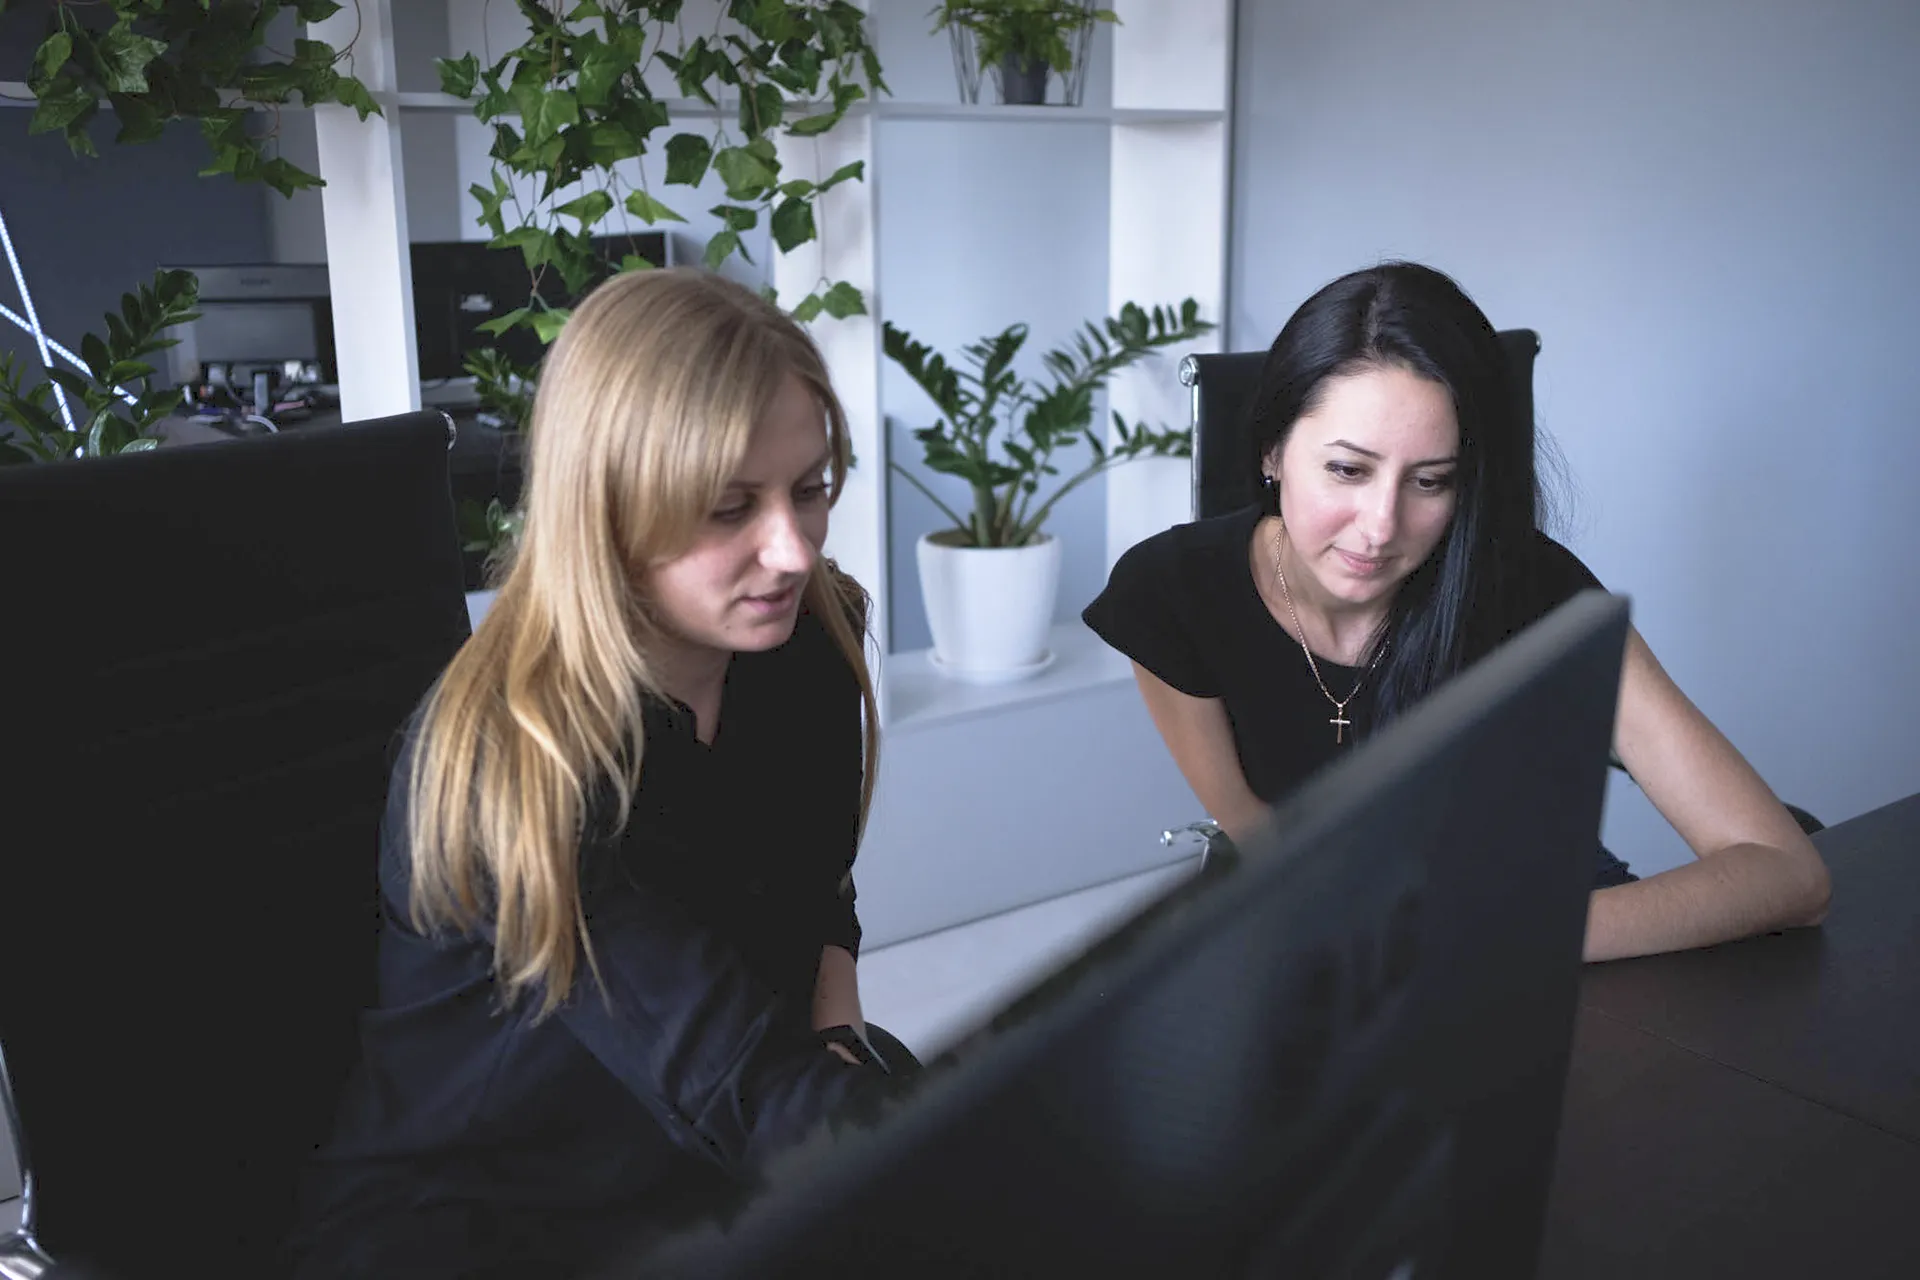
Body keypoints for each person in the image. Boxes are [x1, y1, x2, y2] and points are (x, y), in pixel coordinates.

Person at [288, 268, 909, 1279]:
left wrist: (839, 1032)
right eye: (729, 508)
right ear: (608, 510)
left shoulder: (806, 640)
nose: (793, 551)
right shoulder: (518, 761)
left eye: (809, 490)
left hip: (690, 1163)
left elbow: (816, 894)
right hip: (476, 1225)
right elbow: (736, 1086)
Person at [1084, 261, 1830, 963]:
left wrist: (1488, 942)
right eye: (1347, 469)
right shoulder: (1172, 593)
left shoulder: (1532, 589)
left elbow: (1787, 872)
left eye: (1430, 481)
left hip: (1542, 931)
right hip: (1342, 939)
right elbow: (1258, 832)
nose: (1380, 527)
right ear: (1273, 451)